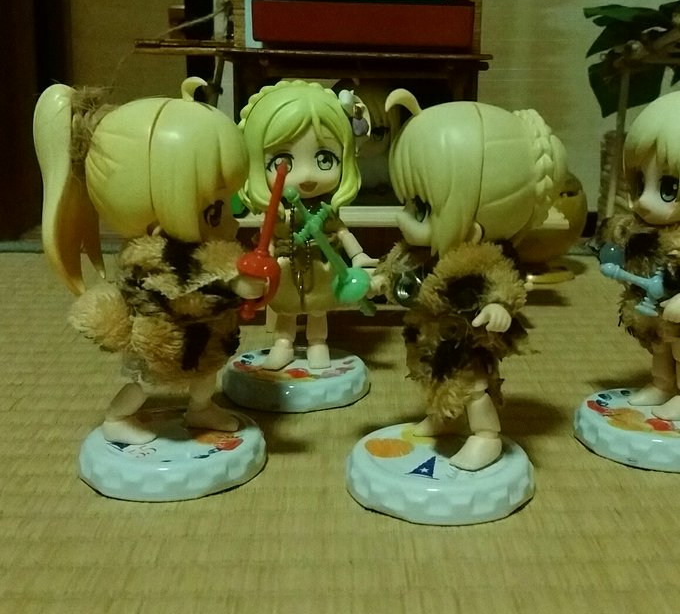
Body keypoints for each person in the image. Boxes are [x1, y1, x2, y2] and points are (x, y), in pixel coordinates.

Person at [33, 77, 261, 444]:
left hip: (202, 343)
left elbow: (215, 270)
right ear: (158, 221)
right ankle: (117, 418)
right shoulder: (151, 260)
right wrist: (235, 287)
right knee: (143, 382)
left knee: (206, 377)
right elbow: (184, 295)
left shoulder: (211, 249)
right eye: (215, 210)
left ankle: (201, 409)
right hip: (159, 342)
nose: (232, 222)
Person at [375, 89, 562, 470]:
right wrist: (380, 282)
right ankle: (443, 419)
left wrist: (499, 307)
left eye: (421, 208)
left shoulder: (482, 260)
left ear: (474, 225)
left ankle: (486, 436)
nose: (402, 218)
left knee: (474, 387)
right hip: (430, 340)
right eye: (407, 203)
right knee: (435, 379)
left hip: (466, 339)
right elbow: (396, 271)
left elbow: (504, 284)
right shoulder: (418, 253)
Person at [238, 80, 375, 370]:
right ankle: (283, 344)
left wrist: (359, 256)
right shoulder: (278, 213)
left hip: (321, 266)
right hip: (286, 267)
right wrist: (262, 265)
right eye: (283, 160)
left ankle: (317, 343)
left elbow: (342, 232)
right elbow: (266, 242)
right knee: (286, 310)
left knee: (318, 310)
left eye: (324, 159)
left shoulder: (326, 211)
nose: (307, 175)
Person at [598, 90, 680, 421]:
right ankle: (662, 384)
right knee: (659, 346)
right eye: (640, 182)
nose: (644, 201)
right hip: (655, 309)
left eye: (668, 188)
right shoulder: (644, 228)